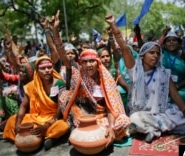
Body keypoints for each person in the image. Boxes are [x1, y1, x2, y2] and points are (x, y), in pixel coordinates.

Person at [106, 14, 185, 143]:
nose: (155, 56)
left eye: (157, 53)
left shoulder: (163, 73)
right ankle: (159, 127)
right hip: (142, 113)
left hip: (161, 112)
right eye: (151, 53)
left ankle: (154, 129)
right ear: (142, 56)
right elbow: (125, 49)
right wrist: (113, 26)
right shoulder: (135, 71)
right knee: (135, 119)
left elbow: (175, 95)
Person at [49, 10, 131, 148]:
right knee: (64, 96)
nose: (88, 65)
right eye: (85, 62)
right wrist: (55, 31)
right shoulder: (78, 73)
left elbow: (110, 107)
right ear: (81, 63)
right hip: (81, 113)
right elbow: (64, 57)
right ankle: (75, 129)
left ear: (97, 63)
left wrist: (111, 126)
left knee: (122, 121)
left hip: (101, 116)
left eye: (92, 61)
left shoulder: (105, 79)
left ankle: (95, 133)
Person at [3, 55, 69, 151]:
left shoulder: (59, 84)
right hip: (36, 117)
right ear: (37, 70)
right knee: (12, 120)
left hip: (52, 119)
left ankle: (45, 136)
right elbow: (23, 106)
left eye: (49, 67)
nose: (47, 70)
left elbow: (60, 112)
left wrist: (46, 126)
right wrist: (17, 123)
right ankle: (45, 137)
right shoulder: (31, 85)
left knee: (63, 126)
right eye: (43, 68)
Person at [162, 31, 185, 104]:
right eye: (168, 41)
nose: (171, 42)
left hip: (181, 87)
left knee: (181, 96)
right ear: (164, 45)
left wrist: (177, 87)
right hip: (163, 87)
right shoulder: (161, 56)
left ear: (179, 43)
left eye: (174, 40)